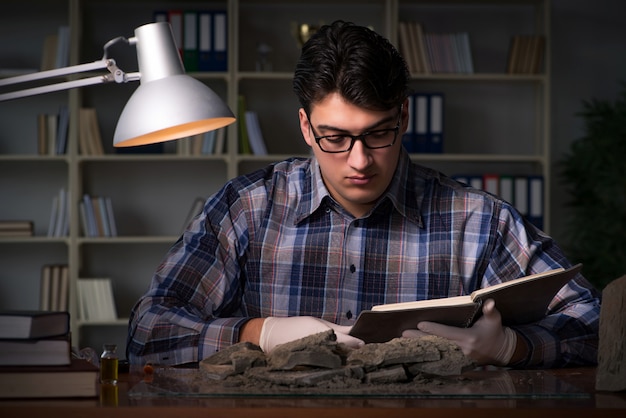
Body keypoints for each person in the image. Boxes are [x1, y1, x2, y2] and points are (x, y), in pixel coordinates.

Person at [127, 20, 600, 368]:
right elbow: (148, 331)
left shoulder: (479, 219)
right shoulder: (247, 207)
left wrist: (511, 347)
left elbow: (595, 322)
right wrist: (261, 333)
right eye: (335, 137)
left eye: (378, 134)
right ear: (305, 127)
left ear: (405, 119)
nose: (359, 160)